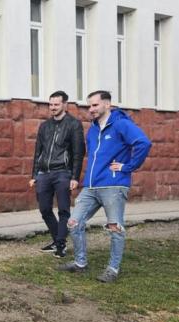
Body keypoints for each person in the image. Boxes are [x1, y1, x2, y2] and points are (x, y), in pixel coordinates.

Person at [58, 90, 151, 283]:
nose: (90, 109)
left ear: (107, 105)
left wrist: (128, 166)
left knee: (115, 227)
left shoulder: (121, 124)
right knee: (73, 223)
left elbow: (143, 142)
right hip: (91, 186)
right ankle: (80, 263)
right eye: (89, 105)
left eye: (95, 105)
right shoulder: (92, 129)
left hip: (114, 185)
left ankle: (112, 269)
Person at [30, 91, 86, 258]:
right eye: (51, 104)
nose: (52, 108)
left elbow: (78, 152)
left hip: (63, 172)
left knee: (63, 210)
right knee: (45, 209)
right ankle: (58, 240)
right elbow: (37, 152)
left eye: (56, 104)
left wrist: (75, 177)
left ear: (65, 105)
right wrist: (34, 175)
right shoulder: (44, 126)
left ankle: (60, 243)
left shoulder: (74, 124)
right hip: (44, 174)